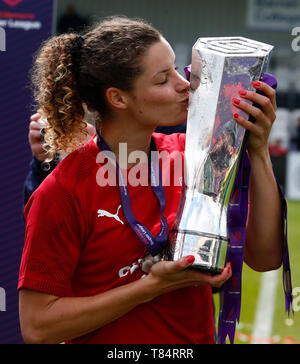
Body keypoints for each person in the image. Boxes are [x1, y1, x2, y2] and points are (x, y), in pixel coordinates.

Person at [18, 16, 283, 345]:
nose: (184, 84)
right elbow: (37, 327)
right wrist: (150, 288)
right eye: (162, 80)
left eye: (176, 69)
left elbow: (265, 257)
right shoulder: (63, 190)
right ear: (118, 98)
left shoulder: (193, 156)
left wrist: (257, 150)